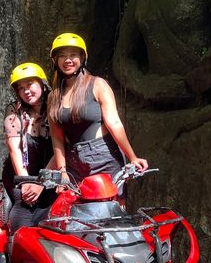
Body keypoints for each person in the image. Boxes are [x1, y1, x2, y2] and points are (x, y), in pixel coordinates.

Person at [47, 32, 148, 184]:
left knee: (110, 205)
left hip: (103, 154)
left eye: (73, 55)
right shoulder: (53, 97)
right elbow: (57, 137)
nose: (67, 60)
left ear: (82, 58)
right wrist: (62, 171)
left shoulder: (98, 85)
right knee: (77, 207)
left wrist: (132, 157)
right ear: (55, 60)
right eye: (62, 56)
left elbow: (113, 123)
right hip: (73, 161)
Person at [2, 62, 56, 232]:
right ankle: (14, 250)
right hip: (20, 174)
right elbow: (14, 148)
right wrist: (25, 181)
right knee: (22, 214)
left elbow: (62, 147)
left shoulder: (57, 106)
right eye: (21, 88)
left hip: (51, 172)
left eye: (30, 84)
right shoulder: (14, 110)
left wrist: (42, 182)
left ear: (42, 83)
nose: (26, 91)